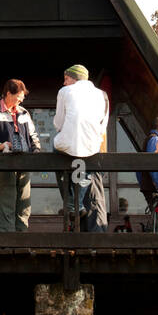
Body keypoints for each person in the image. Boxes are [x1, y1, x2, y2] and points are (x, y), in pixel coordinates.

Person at [0, 79, 42, 232]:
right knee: (7, 203)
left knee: (24, 204)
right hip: (4, 162)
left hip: (25, 162)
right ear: (8, 93)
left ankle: (22, 238)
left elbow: (33, 136)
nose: (21, 99)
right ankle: (7, 241)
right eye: (19, 96)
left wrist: (37, 152)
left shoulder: (24, 112)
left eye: (22, 97)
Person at [52, 64, 109, 232]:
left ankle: (70, 202)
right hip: (92, 145)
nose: (64, 82)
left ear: (75, 78)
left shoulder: (64, 92)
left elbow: (58, 123)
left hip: (66, 144)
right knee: (86, 173)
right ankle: (75, 205)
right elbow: (103, 124)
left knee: (55, 157)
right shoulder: (102, 95)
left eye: (66, 78)